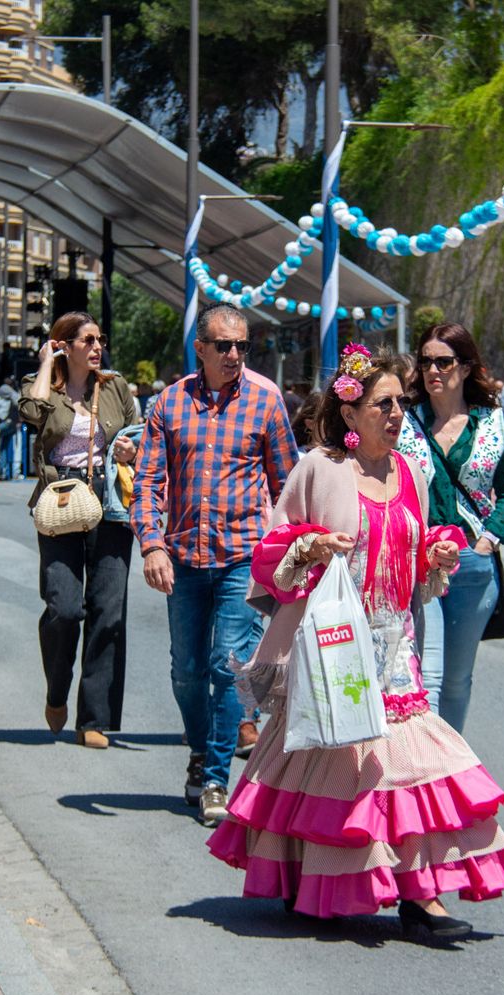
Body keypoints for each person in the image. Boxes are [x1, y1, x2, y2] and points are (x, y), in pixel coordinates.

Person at [209, 343, 504, 936]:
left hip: (392, 644)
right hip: (331, 646)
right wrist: (309, 546)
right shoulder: (319, 468)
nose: (397, 413)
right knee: (326, 763)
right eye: (384, 403)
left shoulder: (408, 472)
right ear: (350, 413)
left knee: (411, 763)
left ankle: (420, 896)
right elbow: (272, 551)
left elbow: (413, 549)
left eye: (401, 402)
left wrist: (435, 552)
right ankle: (308, 877)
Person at [132, 305, 296, 825]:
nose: (233, 355)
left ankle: (215, 778)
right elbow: (147, 483)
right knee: (186, 671)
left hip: (241, 557)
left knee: (229, 667)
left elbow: (287, 486)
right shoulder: (169, 403)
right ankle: (201, 751)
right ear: (199, 348)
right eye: (223, 345)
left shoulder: (266, 401)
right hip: (182, 558)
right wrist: (152, 545)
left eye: (242, 346)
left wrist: (291, 554)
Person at [19, 312, 141, 748]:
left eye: (99, 339)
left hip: (109, 502)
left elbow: (137, 434)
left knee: (109, 611)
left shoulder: (115, 386)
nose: (96, 347)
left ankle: (94, 718)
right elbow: (30, 413)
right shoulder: (42, 386)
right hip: (61, 501)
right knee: (64, 609)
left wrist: (129, 449)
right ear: (63, 345)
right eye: (87, 340)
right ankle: (56, 691)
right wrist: (45, 364)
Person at [395, 322, 504, 734]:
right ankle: (429, 765)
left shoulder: (492, 423)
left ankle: (449, 764)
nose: (433, 370)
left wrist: (488, 540)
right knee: (428, 676)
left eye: (444, 362)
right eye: (426, 361)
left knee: (456, 680)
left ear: (465, 368)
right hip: (420, 563)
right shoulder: (404, 420)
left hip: (473, 566)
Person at [0, 376, 22, 480]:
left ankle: (2, 471)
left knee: (0, 446)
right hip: (12, 422)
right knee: (5, 448)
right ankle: (5, 471)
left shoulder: (6, 391)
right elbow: (19, 402)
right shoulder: (11, 392)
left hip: (6, 421)